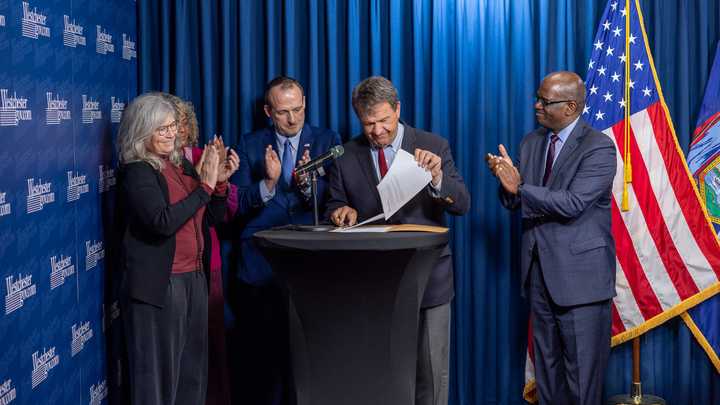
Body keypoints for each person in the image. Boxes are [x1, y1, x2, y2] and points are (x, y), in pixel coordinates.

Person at [326, 76, 470, 405]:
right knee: (381, 372)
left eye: (383, 121)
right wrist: (340, 210)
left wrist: (437, 179)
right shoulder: (345, 155)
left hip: (429, 279)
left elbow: (462, 203)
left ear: (398, 109)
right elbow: (334, 204)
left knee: (432, 375)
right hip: (373, 283)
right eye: (368, 124)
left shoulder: (433, 145)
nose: (377, 131)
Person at [487, 71, 616, 405]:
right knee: (547, 377)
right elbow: (518, 201)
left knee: (583, 382)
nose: (537, 106)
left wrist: (521, 188)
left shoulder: (599, 146)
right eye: (539, 98)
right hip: (539, 276)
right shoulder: (531, 142)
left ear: (571, 106)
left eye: (546, 101)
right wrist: (507, 185)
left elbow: (573, 203)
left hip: (582, 283)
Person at [116, 92, 239, 405]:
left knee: (191, 374)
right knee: (156, 382)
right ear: (142, 132)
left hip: (194, 279)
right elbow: (161, 221)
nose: (172, 134)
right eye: (162, 129)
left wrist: (219, 184)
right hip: (161, 287)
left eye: (172, 126)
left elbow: (212, 216)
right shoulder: (138, 172)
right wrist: (205, 187)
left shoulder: (180, 164)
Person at [229, 76, 341, 405]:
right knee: (263, 365)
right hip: (259, 264)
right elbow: (234, 202)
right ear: (268, 111)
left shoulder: (327, 141)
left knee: (309, 358)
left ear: (305, 105)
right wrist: (268, 182)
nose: (292, 119)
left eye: (298, 110)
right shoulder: (249, 144)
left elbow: (337, 197)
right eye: (283, 112)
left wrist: (307, 187)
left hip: (311, 265)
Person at [164, 94, 238, 405]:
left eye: (181, 123)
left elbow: (225, 212)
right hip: (173, 267)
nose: (176, 130)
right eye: (169, 123)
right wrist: (200, 180)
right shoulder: (155, 165)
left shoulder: (201, 154)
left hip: (208, 259)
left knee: (209, 339)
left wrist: (219, 180)